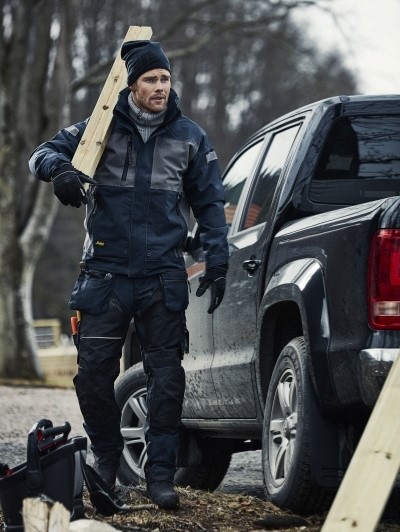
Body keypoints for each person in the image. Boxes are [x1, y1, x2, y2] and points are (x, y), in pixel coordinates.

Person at [28, 40, 229, 510]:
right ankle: (106, 461)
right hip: (104, 276)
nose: (161, 87)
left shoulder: (191, 137)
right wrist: (61, 170)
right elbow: (41, 153)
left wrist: (218, 258)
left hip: (162, 277)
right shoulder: (99, 129)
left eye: (165, 79)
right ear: (132, 85)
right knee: (93, 376)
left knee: (167, 379)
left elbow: (210, 203)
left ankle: (159, 477)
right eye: (150, 79)